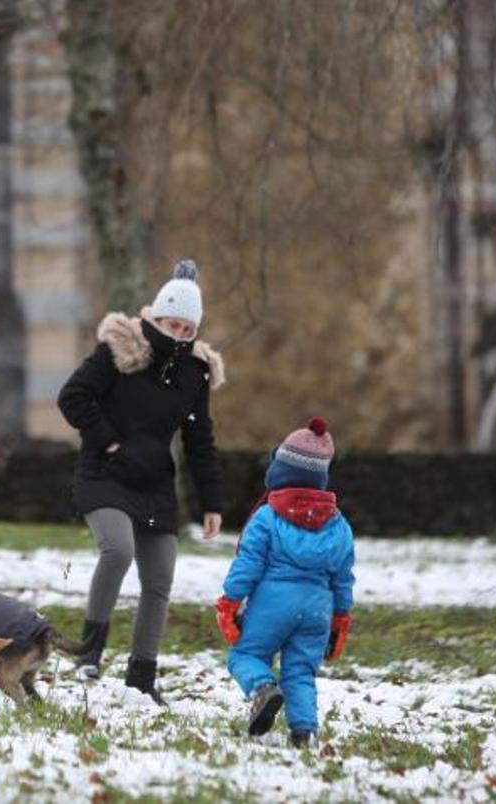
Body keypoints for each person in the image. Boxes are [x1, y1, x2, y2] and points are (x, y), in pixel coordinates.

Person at [57, 260, 225, 704]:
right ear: (157, 316)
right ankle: (89, 652)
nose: (180, 335)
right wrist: (108, 442)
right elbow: (72, 397)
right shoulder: (121, 349)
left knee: (160, 578)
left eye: (189, 330)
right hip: (105, 475)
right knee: (118, 550)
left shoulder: (195, 372)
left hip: (154, 486)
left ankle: (142, 676)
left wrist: (212, 502)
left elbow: (199, 438)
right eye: (173, 324)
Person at [216, 416, 354, 743]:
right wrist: (340, 620)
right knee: (301, 672)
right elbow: (343, 578)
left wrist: (230, 600)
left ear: (280, 472)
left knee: (245, 656)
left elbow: (248, 564)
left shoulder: (267, 516)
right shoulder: (339, 525)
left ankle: (263, 688)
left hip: (272, 604)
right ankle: (303, 731)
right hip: (318, 609)